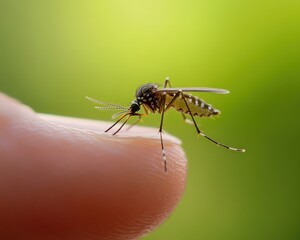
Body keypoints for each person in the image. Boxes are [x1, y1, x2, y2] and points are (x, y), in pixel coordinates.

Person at [0, 93, 187, 240]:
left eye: (133, 110)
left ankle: (197, 129)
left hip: (182, 101)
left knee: (176, 92)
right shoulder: (143, 103)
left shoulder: (151, 99)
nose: (133, 111)